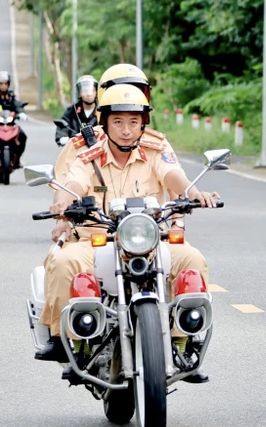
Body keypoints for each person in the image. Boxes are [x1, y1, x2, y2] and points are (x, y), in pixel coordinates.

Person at [36, 84, 219, 385]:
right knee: (64, 261)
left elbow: (173, 176)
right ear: (105, 122)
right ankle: (70, 342)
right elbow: (75, 182)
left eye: (134, 122)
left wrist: (195, 192)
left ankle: (183, 343)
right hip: (97, 240)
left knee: (192, 259)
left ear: (143, 123)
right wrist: (64, 204)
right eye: (118, 121)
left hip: (148, 239)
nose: (126, 130)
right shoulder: (89, 155)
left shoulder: (154, 150)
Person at [55, 75, 99, 145]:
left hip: (97, 147)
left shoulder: (101, 111)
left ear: (96, 92)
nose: (88, 94)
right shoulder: (72, 110)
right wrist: (62, 136)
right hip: (75, 147)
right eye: (85, 91)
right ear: (80, 93)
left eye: (92, 90)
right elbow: (63, 123)